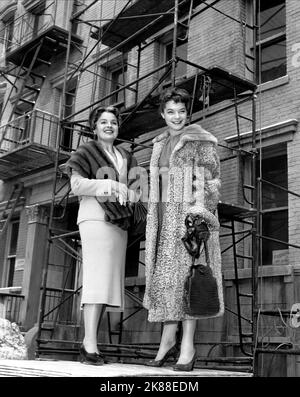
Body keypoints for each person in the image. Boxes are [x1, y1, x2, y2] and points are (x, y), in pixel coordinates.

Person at [143, 87, 224, 371]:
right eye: (170, 112)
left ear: (187, 113)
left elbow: (211, 181)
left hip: (189, 223)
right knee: (167, 283)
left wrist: (198, 214)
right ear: (162, 114)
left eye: (181, 111)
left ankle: (187, 347)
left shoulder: (199, 140)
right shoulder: (159, 143)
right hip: (164, 219)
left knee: (188, 282)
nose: (176, 117)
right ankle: (167, 341)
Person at [66, 106, 140, 365]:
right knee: (96, 280)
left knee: (107, 283)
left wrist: (132, 193)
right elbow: (77, 186)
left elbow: (137, 188)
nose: (109, 126)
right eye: (103, 122)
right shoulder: (86, 151)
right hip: (95, 217)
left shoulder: (125, 155)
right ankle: (88, 345)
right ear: (94, 127)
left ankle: (91, 344)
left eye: (113, 122)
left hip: (118, 222)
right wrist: (108, 184)